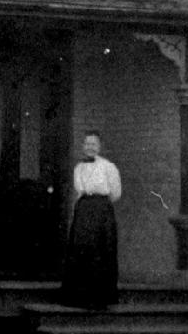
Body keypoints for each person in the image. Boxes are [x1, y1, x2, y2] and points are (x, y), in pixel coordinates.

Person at [60, 130, 120, 309]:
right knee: (81, 248)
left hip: (102, 209)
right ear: (83, 146)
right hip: (84, 208)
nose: (90, 148)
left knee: (101, 250)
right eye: (87, 144)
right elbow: (79, 189)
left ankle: (100, 297)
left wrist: (100, 205)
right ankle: (79, 297)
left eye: (93, 144)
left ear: (99, 146)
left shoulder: (109, 167)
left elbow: (116, 193)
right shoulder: (78, 168)